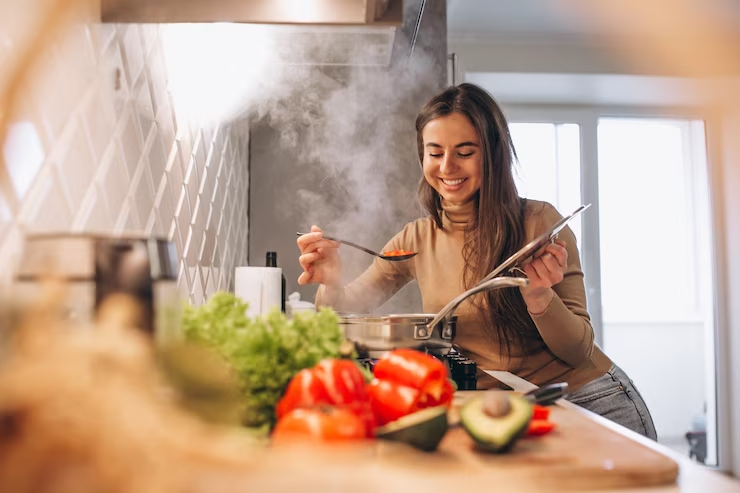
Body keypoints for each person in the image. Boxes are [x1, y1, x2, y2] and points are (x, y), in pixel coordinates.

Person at [296, 82, 657, 440]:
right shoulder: (416, 239)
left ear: (493, 154)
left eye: (465, 152)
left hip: (587, 401)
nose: (447, 166)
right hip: (503, 410)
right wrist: (331, 281)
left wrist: (540, 298)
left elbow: (578, 351)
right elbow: (342, 312)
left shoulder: (539, 223)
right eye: (434, 152)